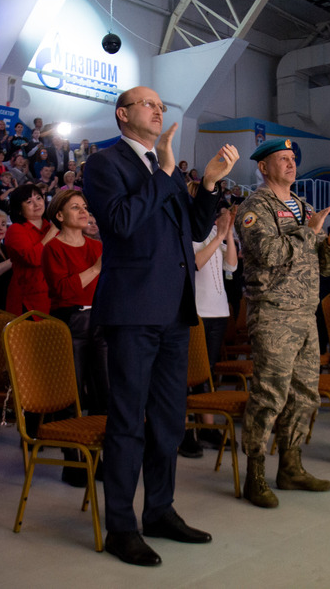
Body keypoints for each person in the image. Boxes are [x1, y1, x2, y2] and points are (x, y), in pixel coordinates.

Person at [82, 85, 236, 566]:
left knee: (168, 420)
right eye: (150, 104)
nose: (159, 110)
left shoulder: (160, 169)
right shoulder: (104, 164)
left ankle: (160, 510)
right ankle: (121, 527)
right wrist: (168, 170)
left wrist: (207, 185)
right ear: (123, 114)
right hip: (132, 311)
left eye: (162, 106)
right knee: (128, 421)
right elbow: (124, 223)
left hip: (173, 310)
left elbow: (191, 230)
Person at [234, 137, 330, 506]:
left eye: (291, 159)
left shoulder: (304, 206)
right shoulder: (254, 207)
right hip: (273, 312)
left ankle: (290, 466)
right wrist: (311, 233)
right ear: (262, 167)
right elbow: (268, 253)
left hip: (305, 312)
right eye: (280, 159)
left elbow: (322, 267)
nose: (289, 164)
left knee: (304, 394)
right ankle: (254, 475)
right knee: (270, 394)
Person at [180, 184, 238, 458]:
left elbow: (232, 267)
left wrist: (229, 236)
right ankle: (184, 431)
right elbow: (196, 263)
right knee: (189, 374)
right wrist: (219, 237)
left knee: (209, 372)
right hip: (198, 311)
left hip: (218, 311)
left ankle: (207, 427)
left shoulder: (218, 232)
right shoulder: (192, 233)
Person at [42, 189, 108, 420]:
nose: (83, 212)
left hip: (100, 319)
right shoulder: (52, 248)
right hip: (70, 321)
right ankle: (73, 449)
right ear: (59, 216)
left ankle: (100, 448)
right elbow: (63, 290)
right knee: (73, 389)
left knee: (105, 387)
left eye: (85, 207)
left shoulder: (96, 247)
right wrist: (96, 269)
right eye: (75, 207)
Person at [4, 183, 57, 314]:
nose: (37, 204)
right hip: (28, 301)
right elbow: (33, 258)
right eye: (29, 201)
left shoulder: (49, 227)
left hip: (54, 297)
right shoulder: (15, 230)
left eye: (39, 198)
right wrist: (53, 231)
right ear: (19, 209)